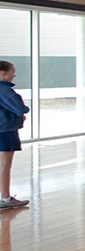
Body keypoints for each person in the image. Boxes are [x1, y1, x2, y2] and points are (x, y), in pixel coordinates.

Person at [0, 60, 30, 210]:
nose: (14, 75)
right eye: (12, 71)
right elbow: (21, 108)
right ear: (3, 73)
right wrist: (22, 112)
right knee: (5, 165)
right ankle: (5, 198)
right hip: (5, 131)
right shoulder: (4, 90)